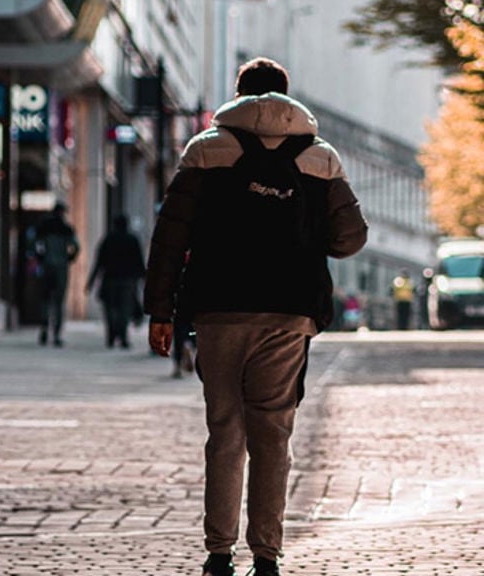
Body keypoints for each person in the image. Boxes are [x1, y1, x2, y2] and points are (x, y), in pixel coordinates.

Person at [143, 57, 367, 576]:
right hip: (290, 313)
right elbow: (350, 238)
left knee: (225, 430)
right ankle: (266, 556)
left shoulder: (206, 150)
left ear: (239, 95)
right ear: (286, 97)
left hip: (219, 310)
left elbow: (170, 238)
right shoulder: (320, 158)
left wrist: (162, 312)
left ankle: (218, 554)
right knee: (274, 434)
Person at [86, 214, 146, 349]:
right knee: (125, 310)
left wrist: (90, 282)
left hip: (110, 279)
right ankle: (123, 337)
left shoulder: (108, 240)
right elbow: (139, 261)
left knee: (111, 309)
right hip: (128, 280)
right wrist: (144, 279)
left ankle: (112, 335)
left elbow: (99, 262)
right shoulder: (132, 240)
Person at [35, 201, 80, 347]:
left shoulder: (43, 227)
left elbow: (34, 244)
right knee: (58, 302)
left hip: (47, 266)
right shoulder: (66, 229)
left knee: (45, 299)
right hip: (61, 267)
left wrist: (40, 257)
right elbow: (76, 247)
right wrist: (69, 258)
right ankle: (56, 334)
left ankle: (43, 328)